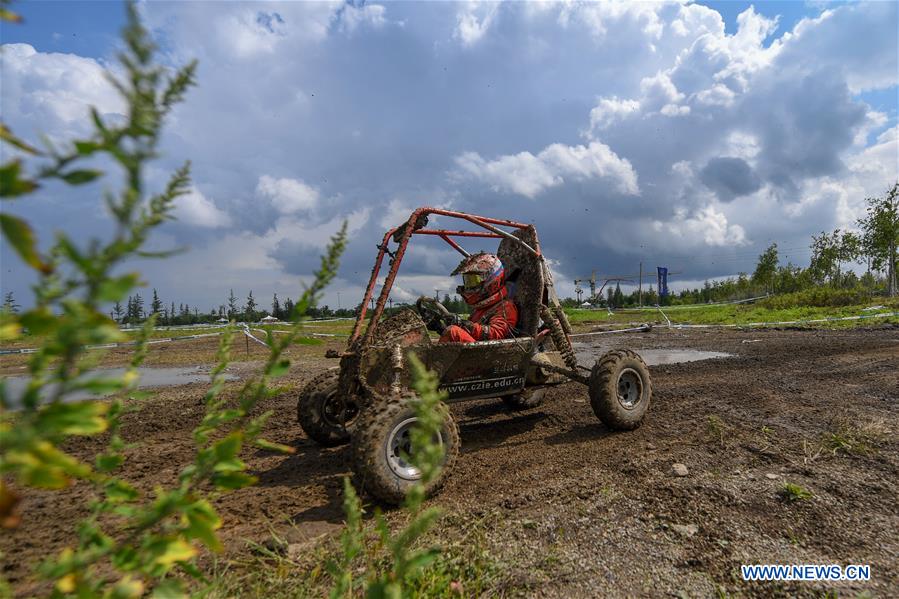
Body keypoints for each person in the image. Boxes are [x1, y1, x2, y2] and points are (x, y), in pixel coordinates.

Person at [438, 252, 518, 343]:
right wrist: (441, 328)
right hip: (478, 350)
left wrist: (465, 325)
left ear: (491, 278)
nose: (469, 286)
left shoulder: (506, 307)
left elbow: (496, 334)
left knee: (453, 332)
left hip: (493, 353)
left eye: (474, 280)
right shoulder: (481, 309)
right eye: (467, 281)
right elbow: (468, 333)